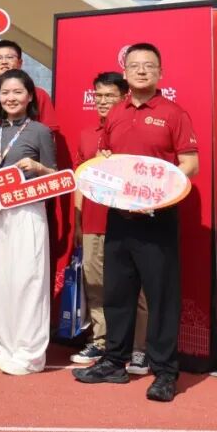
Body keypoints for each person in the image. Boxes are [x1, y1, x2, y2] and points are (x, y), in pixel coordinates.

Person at [73, 43, 198, 403]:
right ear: (125, 72)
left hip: (157, 218)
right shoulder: (116, 113)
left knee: (161, 297)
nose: (142, 71)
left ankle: (165, 372)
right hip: (119, 216)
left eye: (149, 65)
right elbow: (106, 158)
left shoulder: (174, 113)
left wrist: (158, 195)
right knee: (117, 293)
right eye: (135, 66)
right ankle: (114, 362)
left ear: (160, 73)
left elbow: (190, 164)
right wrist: (104, 161)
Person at [0, 69, 56, 375]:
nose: (11, 98)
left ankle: (30, 354)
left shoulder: (40, 131)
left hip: (27, 212)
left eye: (17, 92)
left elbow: (57, 177)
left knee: (27, 280)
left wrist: (38, 167)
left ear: (30, 96)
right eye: (5, 92)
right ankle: (6, 347)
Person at [70, 72, 149, 370]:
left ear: (124, 97)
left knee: (137, 287)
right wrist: (78, 222)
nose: (102, 102)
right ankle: (102, 340)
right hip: (93, 221)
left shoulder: (135, 131)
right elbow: (79, 180)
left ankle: (139, 348)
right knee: (96, 284)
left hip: (131, 220)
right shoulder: (87, 134)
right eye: (98, 96)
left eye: (109, 96)